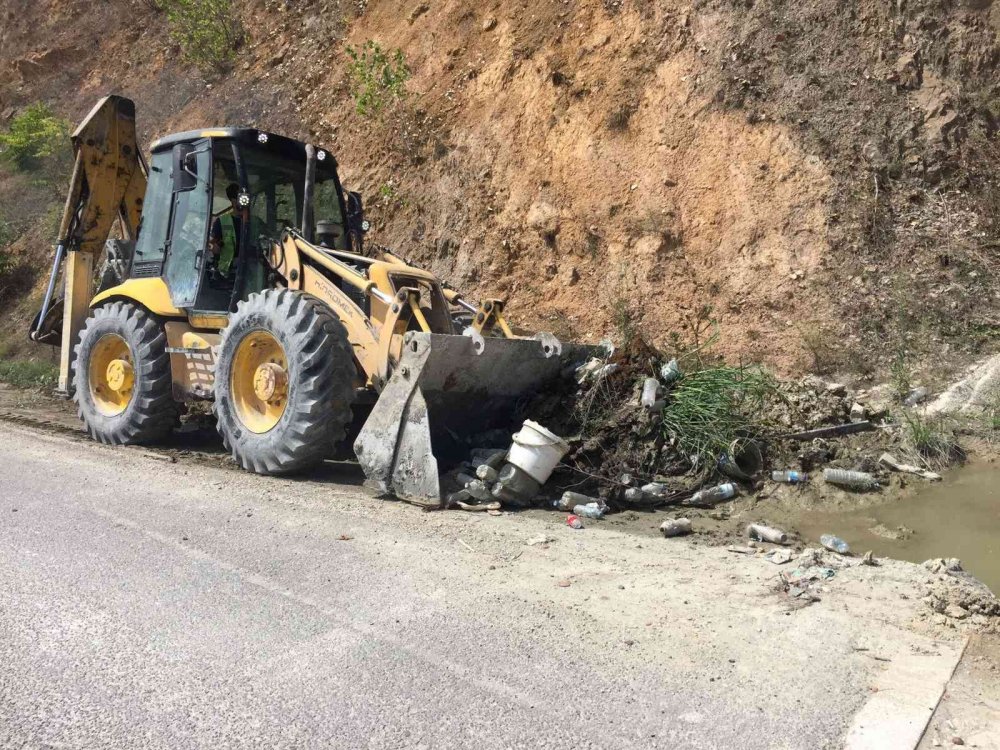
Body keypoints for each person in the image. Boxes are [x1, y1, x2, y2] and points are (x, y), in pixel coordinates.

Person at [209, 183, 247, 277]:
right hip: (228, 273)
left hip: (252, 269)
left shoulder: (255, 222)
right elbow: (212, 244)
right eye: (241, 197)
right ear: (233, 201)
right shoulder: (222, 221)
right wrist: (214, 247)